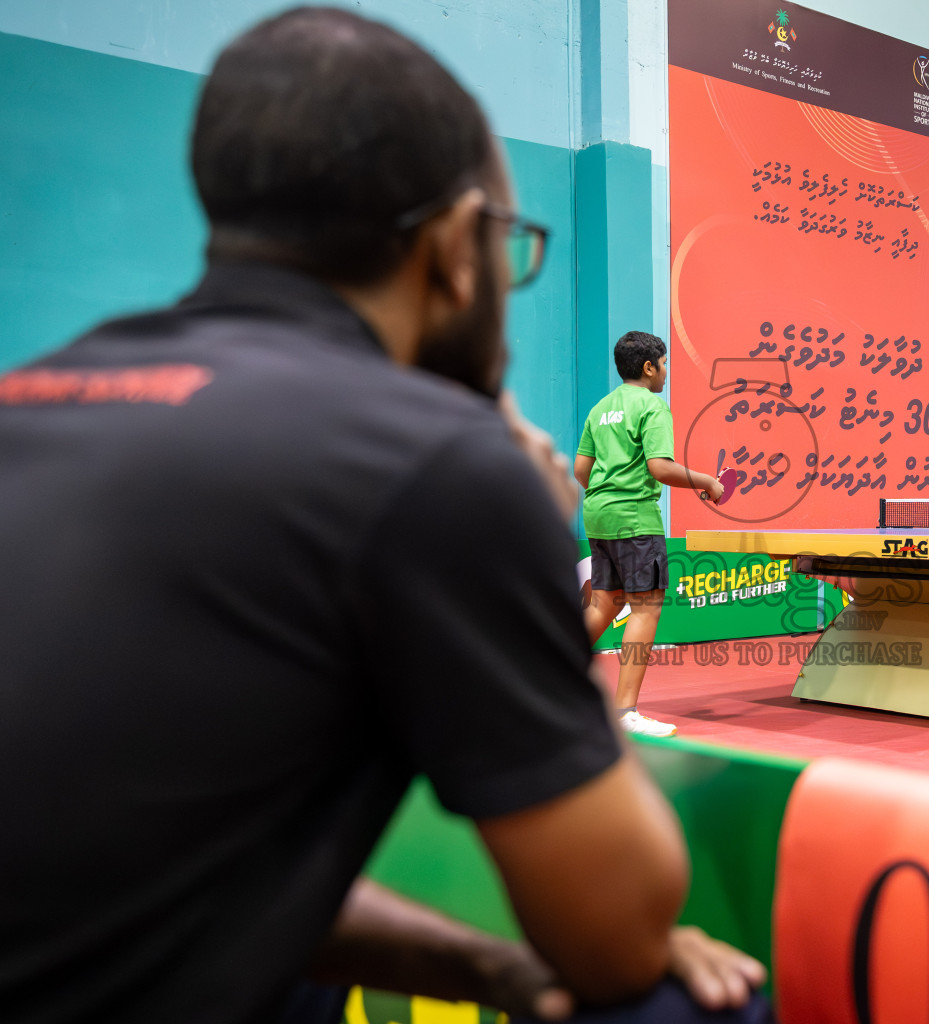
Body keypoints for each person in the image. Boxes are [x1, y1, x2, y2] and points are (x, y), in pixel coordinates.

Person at [0, 8, 765, 1022]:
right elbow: (619, 935)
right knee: (696, 1002)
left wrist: (487, 968)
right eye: (508, 243)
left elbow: (182, 874)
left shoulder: (38, 392)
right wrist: (533, 541)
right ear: (455, 247)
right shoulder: (436, 460)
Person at [575, 332, 724, 738]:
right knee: (645, 610)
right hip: (636, 520)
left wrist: (609, 492)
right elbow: (660, 467)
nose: (666, 371)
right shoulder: (652, 406)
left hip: (598, 516)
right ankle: (625, 712)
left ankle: (541, 676)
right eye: (664, 363)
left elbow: (581, 471)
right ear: (648, 367)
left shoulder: (600, 408)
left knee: (604, 603)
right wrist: (707, 482)